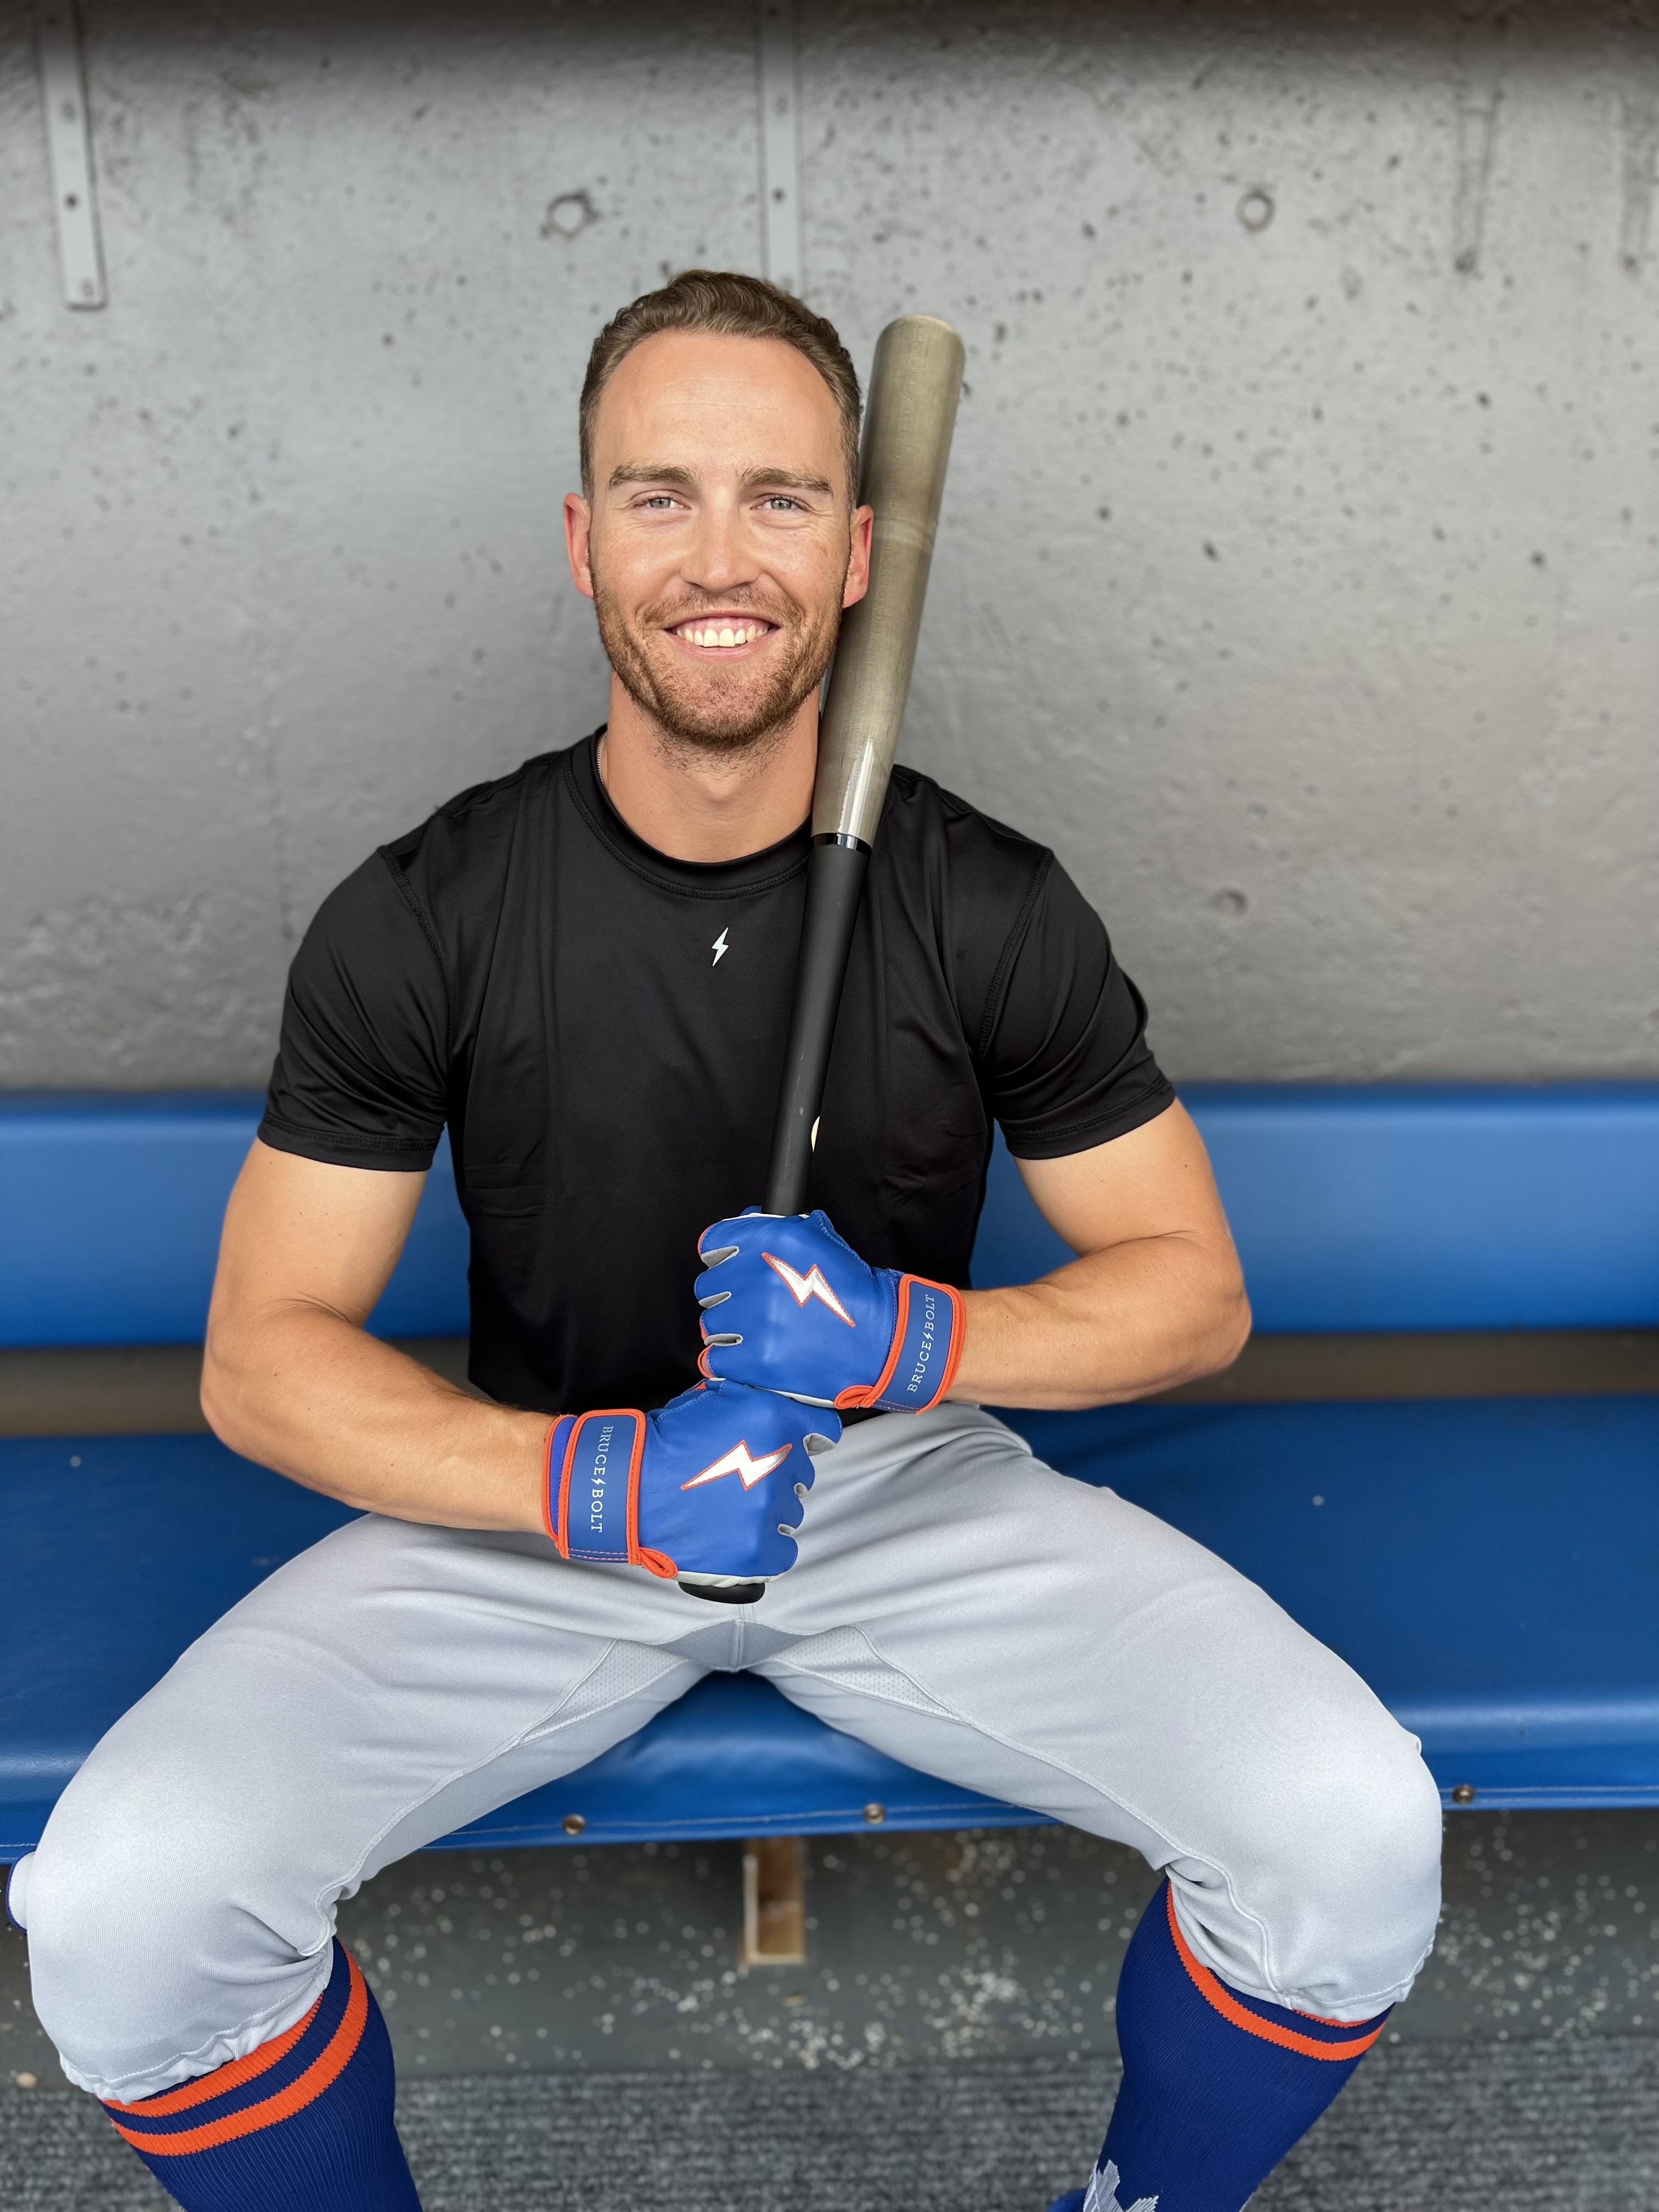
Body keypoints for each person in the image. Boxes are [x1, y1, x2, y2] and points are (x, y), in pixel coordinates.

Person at [8, 271, 1441, 2212]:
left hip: (897, 1486)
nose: (718, 552)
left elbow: (1193, 1292)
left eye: (778, 497)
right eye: (659, 492)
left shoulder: (988, 901)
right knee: (123, 1911)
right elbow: (264, 1353)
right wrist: (599, 1481)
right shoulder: (428, 908)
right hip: (541, 1505)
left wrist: (906, 1347)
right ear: (583, 537)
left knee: (1349, 1836)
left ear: (858, 553)